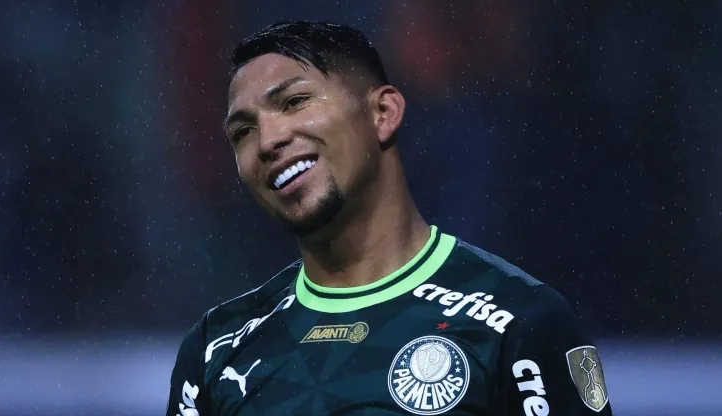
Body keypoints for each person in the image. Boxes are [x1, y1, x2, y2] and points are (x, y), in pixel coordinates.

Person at [166, 20, 613, 416]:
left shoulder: (520, 322)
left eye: (295, 101)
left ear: (383, 113)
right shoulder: (214, 350)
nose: (267, 140)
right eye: (242, 131)